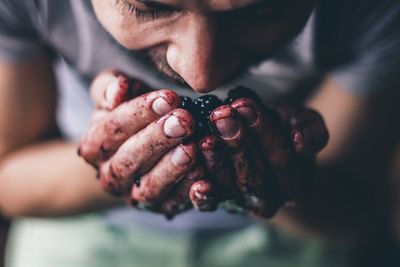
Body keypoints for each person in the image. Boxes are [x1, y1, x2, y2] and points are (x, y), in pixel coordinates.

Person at [0, 0, 399, 266]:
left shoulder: (376, 9)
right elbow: (8, 177)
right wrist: (117, 164)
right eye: (148, 7)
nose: (201, 76)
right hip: (82, 223)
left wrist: (284, 180)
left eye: (258, 13)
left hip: (289, 236)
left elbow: (354, 203)